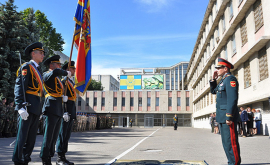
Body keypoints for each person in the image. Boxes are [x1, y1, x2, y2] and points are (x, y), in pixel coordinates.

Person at [12, 42, 45, 165]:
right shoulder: (27, 67)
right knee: (22, 137)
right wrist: (20, 106)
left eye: (43, 53)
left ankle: (26, 160)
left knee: (31, 139)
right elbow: (19, 86)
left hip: (35, 107)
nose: (43, 55)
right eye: (40, 53)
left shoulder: (37, 69)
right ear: (33, 54)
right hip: (27, 106)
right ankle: (17, 160)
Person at [39, 55, 71, 165]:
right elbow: (56, 71)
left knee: (54, 137)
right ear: (51, 65)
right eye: (58, 64)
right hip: (50, 108)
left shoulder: (57, 79)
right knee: (48, 137)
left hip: (58, 109)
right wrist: (65, 72)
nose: (60, 66)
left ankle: (50, 157)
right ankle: (45, 159)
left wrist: (63, 98)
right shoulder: (47, 74)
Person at [210, 57, 241, 165]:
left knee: (231, 142)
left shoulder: (230, 79)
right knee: (225, 143)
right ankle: (231, 162)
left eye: (219, 68)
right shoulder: (223, 80)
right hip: (222, 117)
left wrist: (229, 116)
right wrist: (213, 79)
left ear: (226, 68)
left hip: (228, 117)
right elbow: (214, 91)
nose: (217, 70)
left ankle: (234, 163)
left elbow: (232, 99)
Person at [55, 61, 77, 165]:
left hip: (71, 112)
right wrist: (64, 112)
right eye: (72, 69)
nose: (74, 70)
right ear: (68, 70)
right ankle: (59, 158)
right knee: (62, 135)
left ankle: (63, 156)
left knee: (66, 136)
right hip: (66, 112)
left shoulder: (71, 82)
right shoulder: (64, 81)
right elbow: (61, 98)